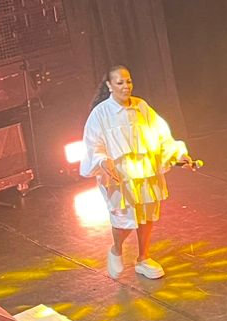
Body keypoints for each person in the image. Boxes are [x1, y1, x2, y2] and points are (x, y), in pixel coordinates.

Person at [79, 66, 193, 279]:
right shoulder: (100, 114)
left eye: (128, 81)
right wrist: (103, 162)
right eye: (120, 82)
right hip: (118, 175)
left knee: (147, 214)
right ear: (109, 86)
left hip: (145, 170)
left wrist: (178, 154)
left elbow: (162, 135)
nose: (126, 86)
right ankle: (116, 249)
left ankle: (143, 258)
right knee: (124, 219)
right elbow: (94, 144)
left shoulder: (141, 106)